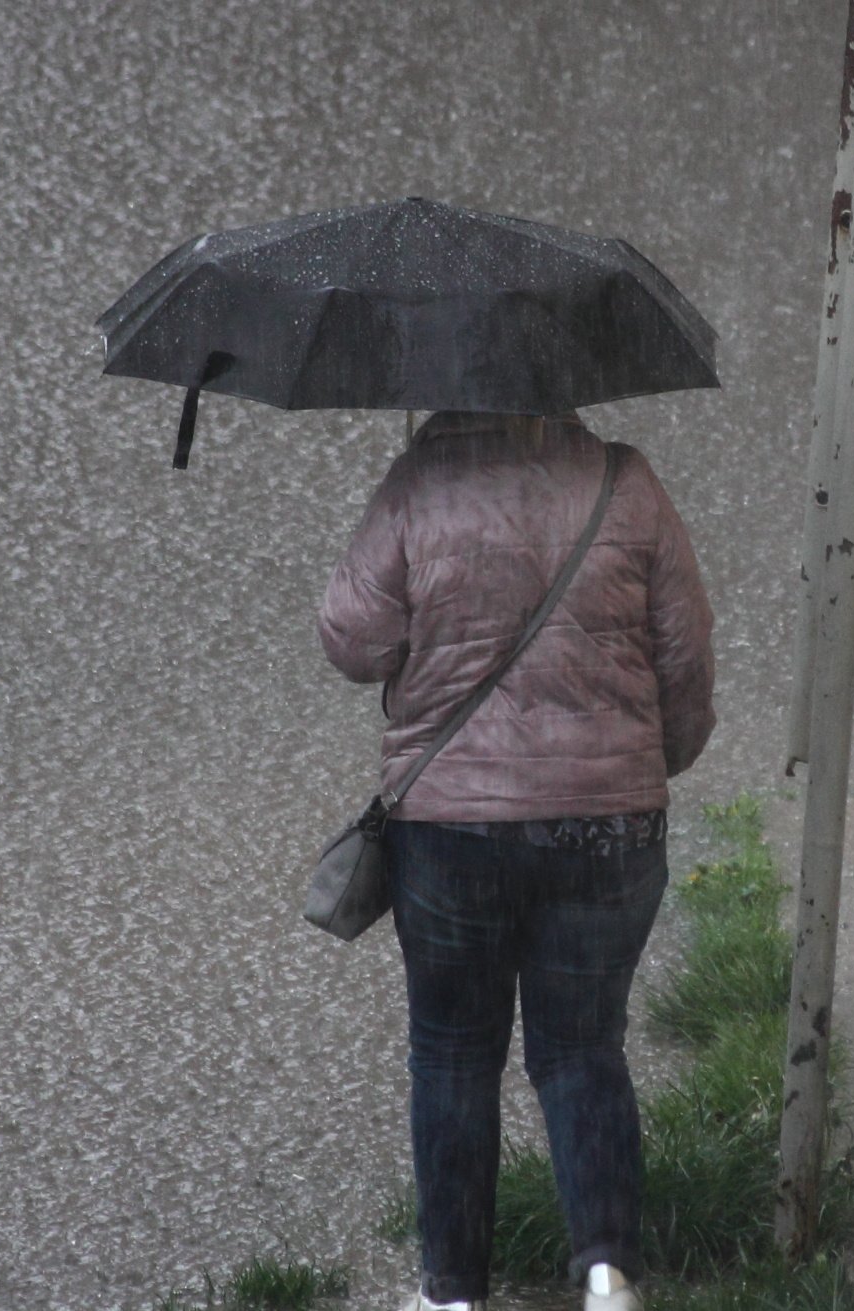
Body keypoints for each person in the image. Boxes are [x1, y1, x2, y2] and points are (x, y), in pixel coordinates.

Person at [319, 410, 716, 1311]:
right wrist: (648, 766)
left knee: (454, 1055)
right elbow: (685, 656)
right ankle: (611, 1274)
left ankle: (454, 1294)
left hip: (452, 828)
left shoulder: (418, 485)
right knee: (583, 1049)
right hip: (610, 824)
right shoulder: (627, 481)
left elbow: (354, 641)